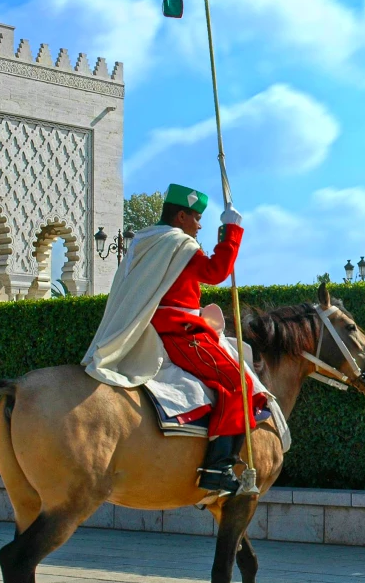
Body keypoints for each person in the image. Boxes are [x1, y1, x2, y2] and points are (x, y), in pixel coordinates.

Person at [82, 183, 262, 495]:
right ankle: (217, 469)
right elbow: (216, 271)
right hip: (181, 332)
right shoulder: (179, 244)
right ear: (180, 216)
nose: (199, 225)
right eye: (196, 217)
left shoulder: (145, 242)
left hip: (157, 326)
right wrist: (231, 231)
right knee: (238, 383)